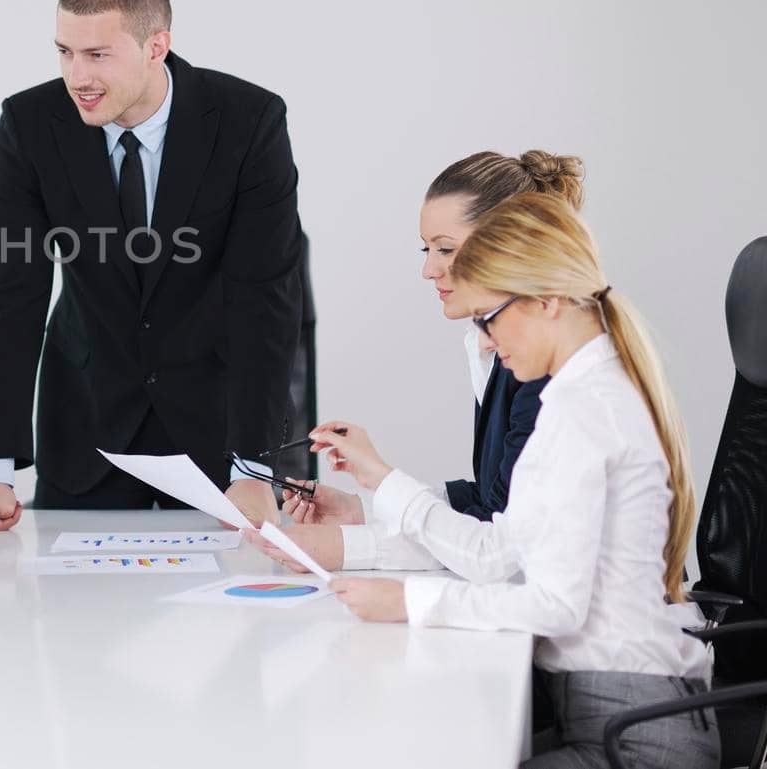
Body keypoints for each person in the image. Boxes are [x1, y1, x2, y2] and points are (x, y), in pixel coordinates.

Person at [304, 194, 716, 769]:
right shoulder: (581, 394)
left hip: (637, 735)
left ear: (546, 301)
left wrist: (409, 600)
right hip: (625, 714)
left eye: (489, 319)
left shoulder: (586, 411)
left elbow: (555, 607)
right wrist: (377, 494)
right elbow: (503, 551)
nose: (487, 343)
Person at [0, 0, 306, 529]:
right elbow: (11, 296)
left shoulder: (249, 120)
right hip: (86, 426)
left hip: (220, 430)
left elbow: (263, 297)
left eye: (97, 55)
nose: (77, 76)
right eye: (65, 52)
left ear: (157, 46)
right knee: (74, 614)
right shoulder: (30, 123)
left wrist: (254, 469)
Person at [267, 151, 584, 572]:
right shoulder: (495, 349)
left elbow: (502, 550)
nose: (428, 269)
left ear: (509, 246)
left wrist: (356, 531)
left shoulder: (546, 364)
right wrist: (363, 509)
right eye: (427, 248)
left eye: (445, 249)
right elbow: (496, 500)